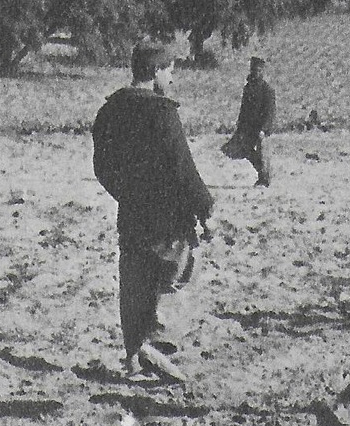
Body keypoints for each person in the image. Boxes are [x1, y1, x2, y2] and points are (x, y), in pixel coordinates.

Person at [92, 41, 214, 383]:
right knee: (178, 270)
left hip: (131, 213)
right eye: (170, 71)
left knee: (133, 282)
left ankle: (133, 357)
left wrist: (127, 193)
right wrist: (205, 209)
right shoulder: (162, 112)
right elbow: (182, 167)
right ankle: (155, 343)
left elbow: (102, 166)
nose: (171, 79)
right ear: (157, 72)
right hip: (167, 216)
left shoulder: (110, 110)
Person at [233, 56, 276, 187]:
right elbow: (244, 108)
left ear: (262, 71)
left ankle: (264, 179)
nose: (255, 72)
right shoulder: (248, 88)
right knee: (245, 149)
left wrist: (264, 129)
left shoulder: (267, 90)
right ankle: (263, 173)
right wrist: (240, 125)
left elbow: (270, 112)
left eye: (258, 70)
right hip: (249, 126)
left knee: (262, 152)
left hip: (262, 127)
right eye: (253, 70)